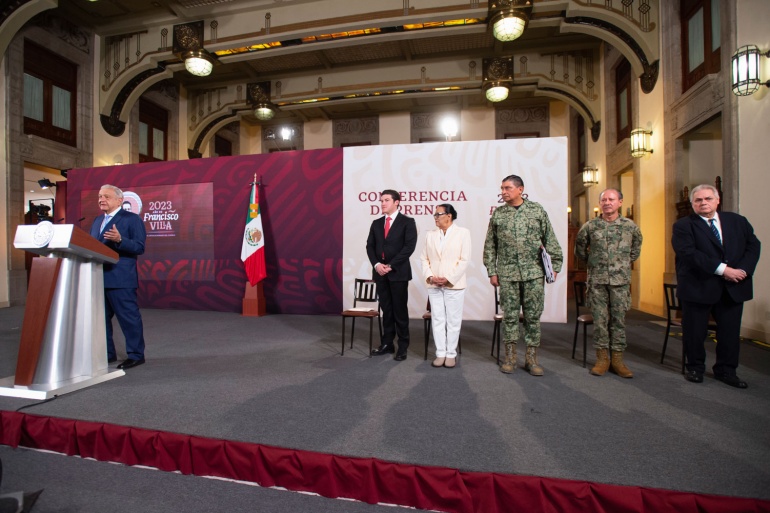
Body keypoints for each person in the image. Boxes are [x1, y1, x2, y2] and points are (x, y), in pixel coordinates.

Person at [672, 184, 760, 388]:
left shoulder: (737, 221)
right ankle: (695, 368)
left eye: (708, 199)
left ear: (717, 200)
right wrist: (723, 270)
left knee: (729, 333)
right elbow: (688, 253)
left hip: (733, 286)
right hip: (698, 286)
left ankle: (727, 371)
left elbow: (753, 245)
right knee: (695, 332)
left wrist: (743, 270)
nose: (703, 203)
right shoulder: (683, 225)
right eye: (698, 200)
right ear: (693, 204)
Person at [483, 175, 563, 375]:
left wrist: (556, 265)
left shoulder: (537, 211)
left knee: (532, 317)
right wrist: (492, 271)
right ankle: (510, 358)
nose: (503, 192)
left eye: (508, 188)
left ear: (520, 189)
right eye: (502, 188)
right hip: (508, 274)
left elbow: (550, 238)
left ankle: (531, 359)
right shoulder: (499, 214)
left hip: (533, 274)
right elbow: (490, 245)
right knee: (509, 317)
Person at [574, 188, 642, 378]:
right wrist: (595, 263)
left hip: (620, 282)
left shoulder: (630, 227)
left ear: (620, 202)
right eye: (604, 200)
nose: (607, 203)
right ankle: (602, 359)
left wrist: (620, 265)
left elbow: (635, 250)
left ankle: (618, 360)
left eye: (611, 199)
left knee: (618, 321)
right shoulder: (590, 226)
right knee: (600, 321)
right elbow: (580, 250)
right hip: (597, 282)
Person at [90, 184, 147, 369]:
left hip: (120, 279)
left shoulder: (132, 219)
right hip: (98, 277)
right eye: (100, 196)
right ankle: (108, 354)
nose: (101, 199)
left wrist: (120, 240)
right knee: (101, 320)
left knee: (128, 318)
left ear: (119, 200)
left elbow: (139, 247)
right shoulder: (97, 220)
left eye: (106, 196)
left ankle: (136, 355)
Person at [366, 189, 417, 361]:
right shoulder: (376, 223)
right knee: (386, 310)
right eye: (381, 200)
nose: (382, 203)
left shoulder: (407, 222)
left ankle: (402, 346)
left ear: (397, 202)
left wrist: (390, 265)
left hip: (398, 273)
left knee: (399, 311)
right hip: (380, 273)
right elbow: (370, 246)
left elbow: (409, 248)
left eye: (386, 200)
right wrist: (377, 265)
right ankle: (387, 343)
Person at [419, 204, 472, 369]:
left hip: (454, 285)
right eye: (434, 215)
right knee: (437, 319)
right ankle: (440, 353)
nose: (435, 217)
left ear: (449, 216)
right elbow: (424, 258)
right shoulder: (430, 235)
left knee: (453, 320)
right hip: (434, 284)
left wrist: (448, 278)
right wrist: (430, 276)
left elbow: (464, 260)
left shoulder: (463, 233)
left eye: (438, 214)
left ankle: (451, 354)